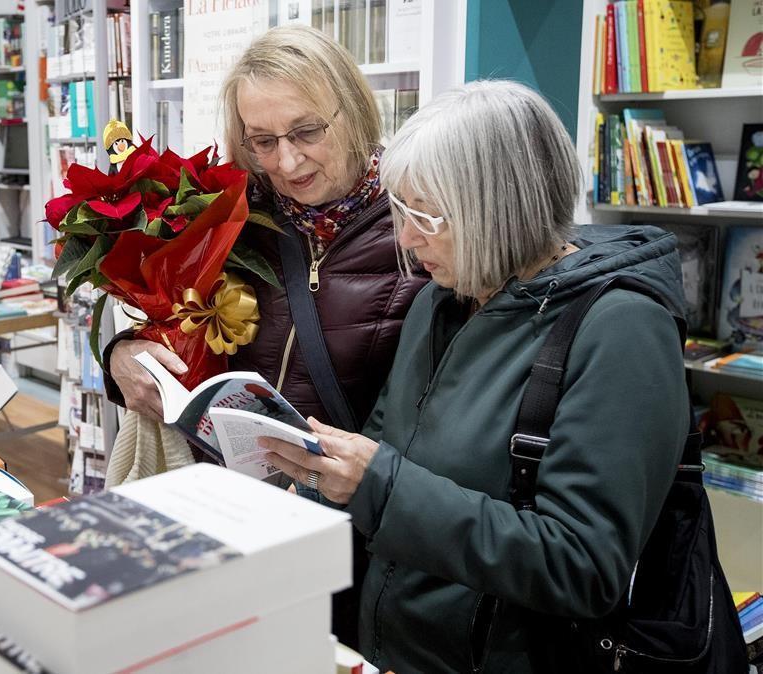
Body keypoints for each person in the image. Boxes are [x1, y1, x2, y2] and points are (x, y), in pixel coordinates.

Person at [260, 80, 691, 672]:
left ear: (501, 205)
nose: (406, 239)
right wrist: (317, 480)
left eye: (425, 216)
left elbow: (585, 567)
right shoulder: (441, 304)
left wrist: (377, 487)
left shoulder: (621, 330)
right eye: (401, 213)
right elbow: (390, 445)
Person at [102, 24, 427, 651]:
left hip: (350, 535)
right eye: (263, 141)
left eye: (307, 132)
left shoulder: (418, 227)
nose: (287, 161)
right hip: (221, 513)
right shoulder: (227, 216)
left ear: (354, 111)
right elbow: (157, 314)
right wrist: (120, 354)